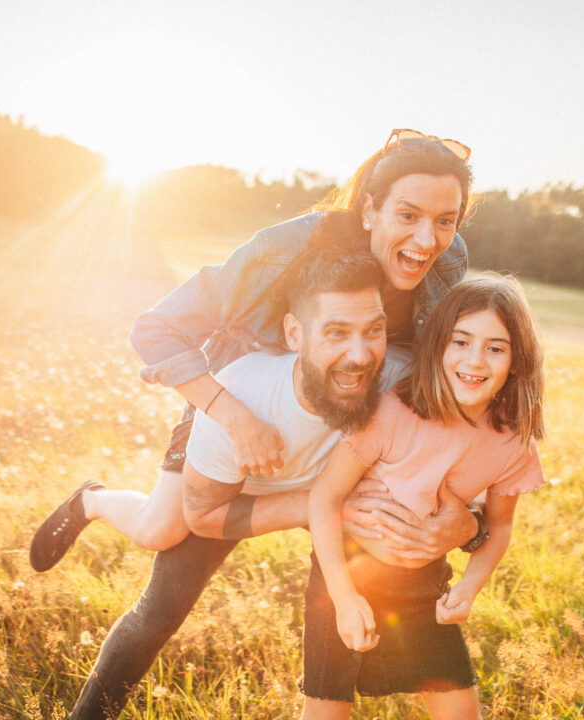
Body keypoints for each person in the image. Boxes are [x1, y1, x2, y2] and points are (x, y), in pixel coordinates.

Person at [33, 130, 487, 719]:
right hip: (244, 411)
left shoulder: (447, 264)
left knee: (378, 560)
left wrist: (468, 520)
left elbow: (451, 401)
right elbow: (155, 329)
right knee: (163, 546)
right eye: (408, 214)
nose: (427, 239)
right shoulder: (286, 248)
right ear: (368, 209)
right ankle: (92, 501)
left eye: (445, 220)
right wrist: (232, 414)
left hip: (345, 441)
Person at [304, 276, 546, 719]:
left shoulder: (513, 442)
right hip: (347, 573)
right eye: (461, 341)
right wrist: (342, 596)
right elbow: (324, 499)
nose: (475, 360)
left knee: (460, 709)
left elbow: (502, 524)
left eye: (496, 347)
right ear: (437, 346)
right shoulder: (390, 412)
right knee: (326, 707)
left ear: (516, 361)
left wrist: (469, 589)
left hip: (425, 586)